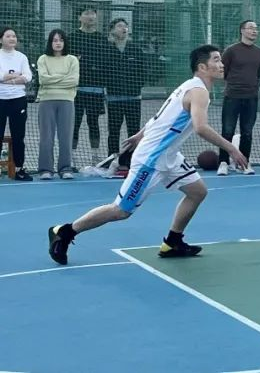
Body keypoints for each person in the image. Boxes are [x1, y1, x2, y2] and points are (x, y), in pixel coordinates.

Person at [48, 45, 249, 266]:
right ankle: (65, 232)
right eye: (217, 60)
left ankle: (172, 242)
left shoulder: (189, 86)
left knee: (197, 191)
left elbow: (160, 117)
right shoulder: (198, 92)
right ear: (202, 67)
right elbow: (201, 127)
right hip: (152, 159)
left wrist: (139, 135)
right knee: (121, 211)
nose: (222, 64)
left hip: (168, 154)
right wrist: (231, 148)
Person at [219, 20, 260, 176]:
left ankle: (244, 163)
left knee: (247, 132)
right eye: (251, 28)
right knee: (227, 131)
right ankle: (223, 162)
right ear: (242, 31)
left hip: (251, 97)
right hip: (232, 96)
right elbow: (223, 71)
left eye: (256, 28)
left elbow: (259, 73)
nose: (254, 31)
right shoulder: (231, 51)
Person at [103, 18, 145, 175]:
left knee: (134, 132)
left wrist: (136, 87)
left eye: (125, 26)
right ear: (112, 30)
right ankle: (113, 161)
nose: (123, 28)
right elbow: (102, 71)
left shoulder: (136, 50)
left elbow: (143, 71)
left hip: (133, 98)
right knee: (113, 131)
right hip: (114, 98)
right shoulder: (106, 50)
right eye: (119, 26)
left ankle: (130, 161)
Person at [37, 29, 80, 180]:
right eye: (55, 40)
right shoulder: (43, 59)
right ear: (50, 42)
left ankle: (65, 168)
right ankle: (45, 169)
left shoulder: (72, 60)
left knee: (66, 136)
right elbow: (43, 79)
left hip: (67, 101)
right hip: (46, 100)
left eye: (61, 40)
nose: (58, 43)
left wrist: (53, 79)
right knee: (46, 137)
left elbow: (74, 81)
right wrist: (63, 77)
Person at [69, 7, 108, 164]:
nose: (90, 16)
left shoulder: (101, 38)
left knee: (93, 122)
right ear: (79, 17)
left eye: (93, 13)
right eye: (86, 13)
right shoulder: (72, 37)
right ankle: (71, 157)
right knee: (75, 123)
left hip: (96, 90)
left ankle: (95, 156)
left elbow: (105, 63)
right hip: (76, 90)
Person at [0, 27, 33, 181]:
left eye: (14, 36)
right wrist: (11, 76)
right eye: (8, 36)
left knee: (18, 136)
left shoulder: (21, 57)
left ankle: (19, 169)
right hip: (1, 100)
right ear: (1, 39)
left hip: (18, 100)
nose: (12, 38)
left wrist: (7, 79)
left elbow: (27, 76)